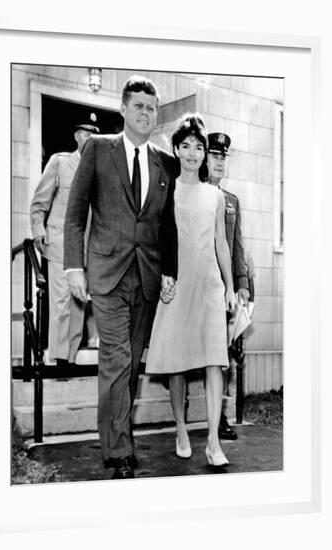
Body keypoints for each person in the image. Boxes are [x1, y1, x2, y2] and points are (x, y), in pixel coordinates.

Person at [64, 76, 177, 479]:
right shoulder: (97, 149)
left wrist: (168, 271)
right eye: (139, 106)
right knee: (116, 360)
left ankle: (119, 433)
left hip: (145, 277)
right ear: (124, 109)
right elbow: (75, 213)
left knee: (130, 366)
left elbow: (166, 225)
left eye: (152, 107)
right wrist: (73, 267)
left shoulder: (165, 163)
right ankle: (117, 452)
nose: (146, 113)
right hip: (106, 273)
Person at [146, 114, 235, 467]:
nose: (194, 153)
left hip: (210, 286)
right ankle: (181, 429)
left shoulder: (214, 195)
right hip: (178, 286)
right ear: (177, 150)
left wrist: (229, 287)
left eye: (199, 147)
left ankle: (213, 441)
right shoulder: (166, 190)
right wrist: (163, 277)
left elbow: (221, 243)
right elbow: (155, 240)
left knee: (216, 361)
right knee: (178, 364)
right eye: (186, 146)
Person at [30, 119, 100, 368]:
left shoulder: (97, 169)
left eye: (94, 136)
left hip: (83, 249)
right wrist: (38, 230)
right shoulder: (59, 162)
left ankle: (70, 358)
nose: (90, 139)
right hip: (59, 243)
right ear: (77, 136)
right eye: (86, 135)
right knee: (60, 303)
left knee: (78, 304)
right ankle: (58, 357)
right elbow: (40, 202)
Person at [207, 132, 249, 439]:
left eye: (223, 157)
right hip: (195, 289)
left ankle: (220, 417)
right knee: (189, 356)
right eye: (214, 155)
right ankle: (181, 412)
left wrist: (242, 285)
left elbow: (236, 248)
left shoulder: (231, 201)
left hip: (223, 294)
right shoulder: (189, 193)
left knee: (223, 358)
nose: (219, 161)